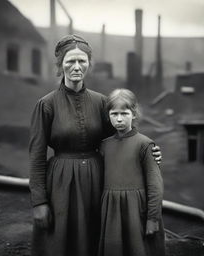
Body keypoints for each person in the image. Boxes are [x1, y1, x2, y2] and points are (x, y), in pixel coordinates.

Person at [29, 34, 162, 256]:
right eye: (70, 61)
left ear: (89, 64)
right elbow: (36, 156)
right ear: (60, 64)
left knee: (97, 239)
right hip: (62, 184)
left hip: (98, 181)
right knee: (62, 242)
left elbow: (122, 139)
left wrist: (150, 151)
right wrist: (39, 201)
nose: (76, 67)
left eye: (82, 61)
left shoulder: (101, 102)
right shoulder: (46, 105)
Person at [98, 89, 165, 256]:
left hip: (136, 210)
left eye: (124, 113)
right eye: (114, 114)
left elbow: (155, 185)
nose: (119, 118)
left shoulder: (145, 144)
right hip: (112, 209)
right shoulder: (104, 145)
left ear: (134, 114)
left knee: (138, 248)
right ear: (108, 115)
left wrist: (152, 218)